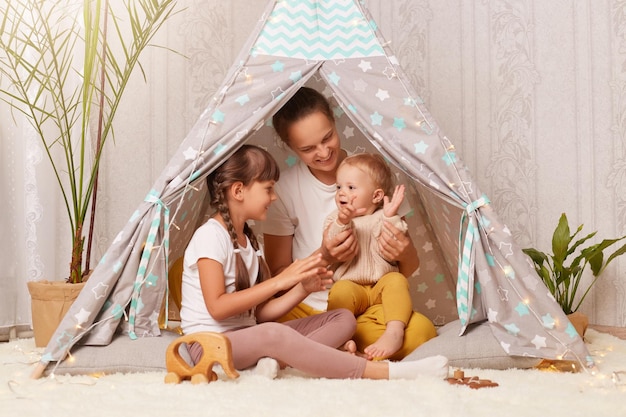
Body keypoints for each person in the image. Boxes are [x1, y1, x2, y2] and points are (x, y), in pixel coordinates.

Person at [179, 144, 448, 380]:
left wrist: (302, 289)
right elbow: (217, 308)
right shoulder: (210, 236)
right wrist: (280, 281)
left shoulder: (249, 241)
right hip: (208, 345)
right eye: (269, 189)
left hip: (246, 340)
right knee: (273, 334)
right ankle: (384, 372)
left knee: (343, 319)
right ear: (239, 190)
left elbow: (258, 314)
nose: (274, 197)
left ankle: (275, 361)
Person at [262, 87, 437, 360]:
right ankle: (337, 342)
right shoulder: (283, 190)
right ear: (289, 146)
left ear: (334, 121)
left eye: (328, 137)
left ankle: (334, 346)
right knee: (264, 318)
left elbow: (407, 268)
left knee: (422, 333)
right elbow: (279, 278)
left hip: (370, 305)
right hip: (310, 307)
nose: (323, 152)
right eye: (307, 149)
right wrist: (326, 256)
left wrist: (404, 252)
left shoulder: (374, 174)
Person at [324, 153, 413, 360]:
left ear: (376, 196)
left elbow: (398, 235)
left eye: (351, 188)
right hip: (352, 286)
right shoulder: (334, 219)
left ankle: (394, 332)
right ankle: (339, 339)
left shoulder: (384, 216)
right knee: (340, 290)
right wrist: (342, 222)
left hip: (381, 289)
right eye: (338, 187)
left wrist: (392, 217)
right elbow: (331, 240)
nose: (341, 193)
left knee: (397, 280)